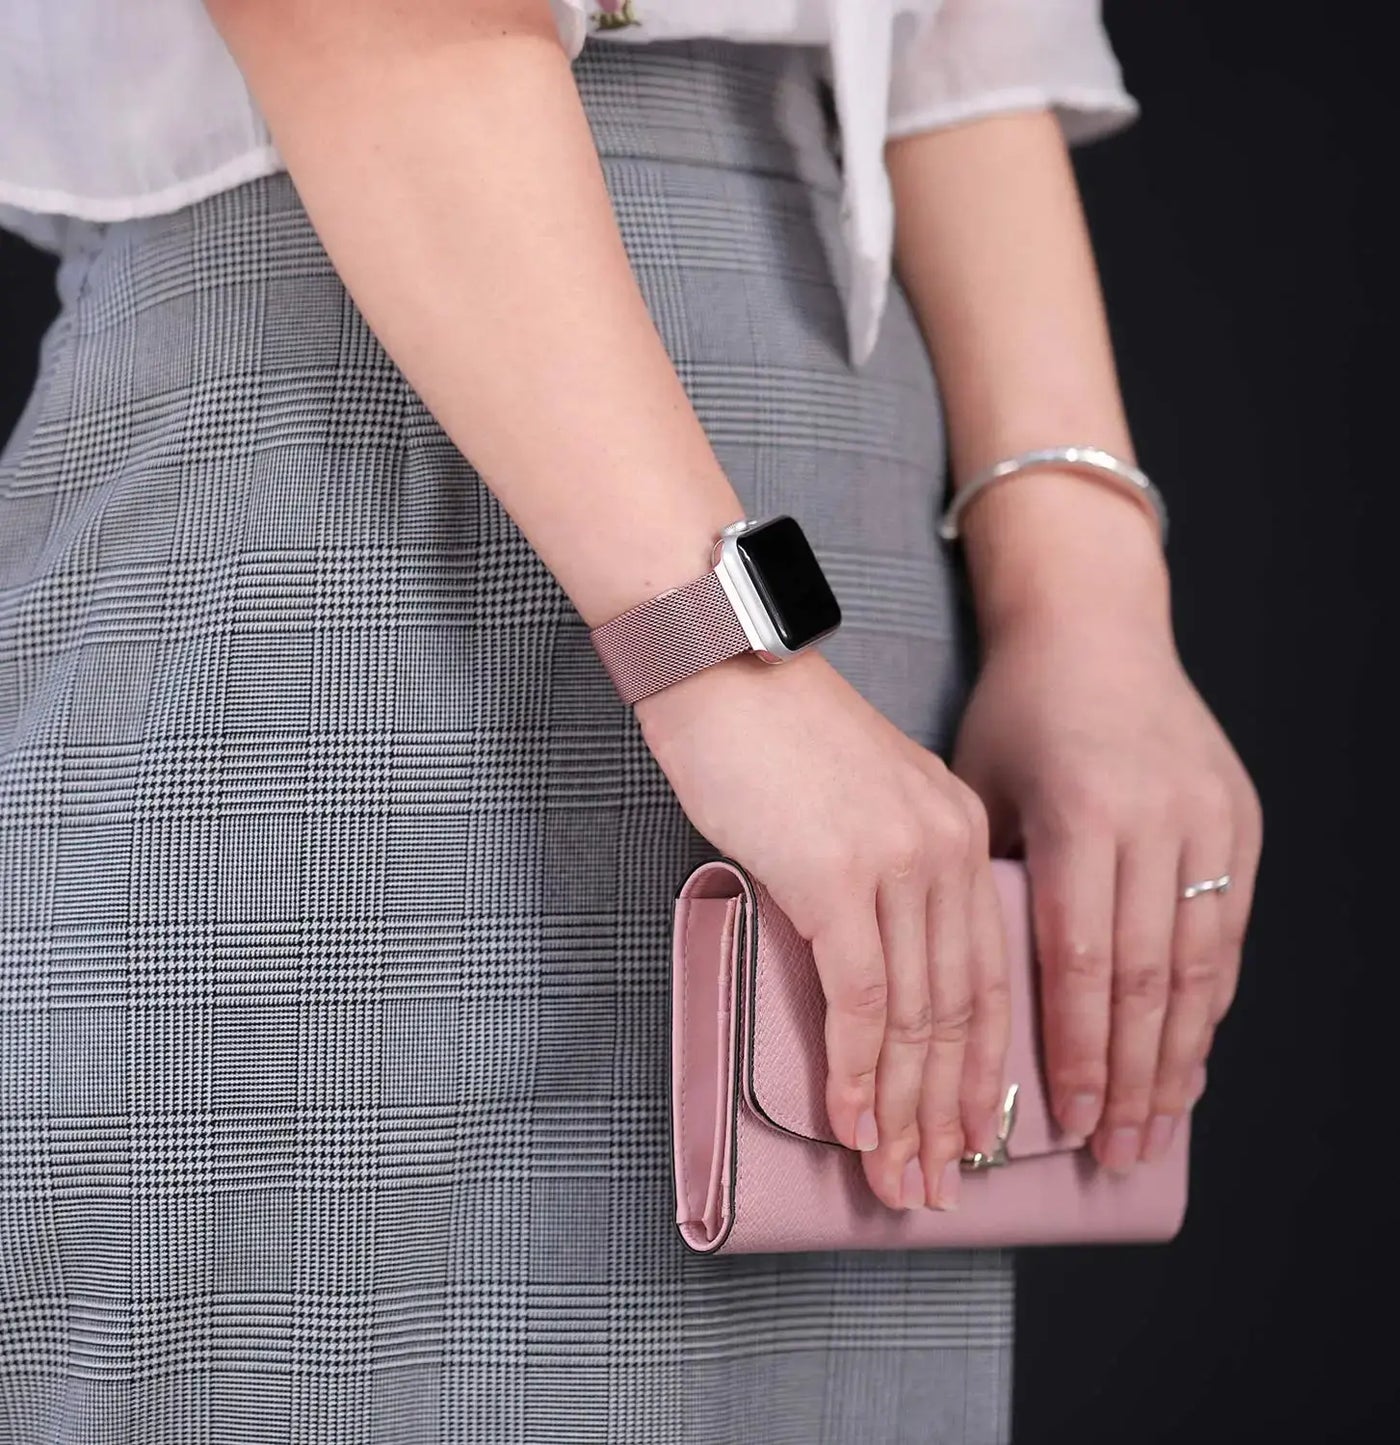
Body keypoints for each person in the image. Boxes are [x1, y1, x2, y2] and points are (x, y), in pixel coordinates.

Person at [0, 2, 1262, 1441]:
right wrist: (715, 646)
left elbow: (959, 38)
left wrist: (1085, 602)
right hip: (370, 378)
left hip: (848, 440)